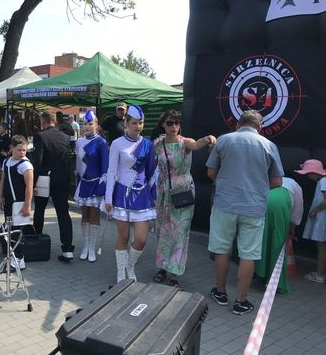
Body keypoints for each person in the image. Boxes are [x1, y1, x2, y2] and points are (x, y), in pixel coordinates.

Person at [206, 110, 283, 315]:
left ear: (237, 124)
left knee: (222, 249)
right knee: (249, 254)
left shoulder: (224, 140)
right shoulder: (269, 145)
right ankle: (241, 301)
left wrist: (226, 183)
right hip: (254, 207)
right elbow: (277, 181)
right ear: (260, 127)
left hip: (224, 204)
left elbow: (211, 172)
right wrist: (258, 188)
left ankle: (220, 292)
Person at [153, 110, 216, 289]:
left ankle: (174, 273)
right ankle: (162, 268)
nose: (173, 126)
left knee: (179, 233)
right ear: (163, 125)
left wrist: (208, 138)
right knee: (162, 230)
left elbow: (196, 145)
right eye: (169, 123)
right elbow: (150, 165)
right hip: (163, 191)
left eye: (177, 123)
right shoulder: (157, 144)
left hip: (183, 192)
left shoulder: (185, 142)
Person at [105, 105, 157, 283]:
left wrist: (154, 195)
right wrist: (108, 198)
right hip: (122, 195)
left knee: (141, 239)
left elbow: (151, 172)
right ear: (126, 124)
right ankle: (121, 274)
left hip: (142, 196)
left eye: (141, 123)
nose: (138, 126)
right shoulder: (117, 144)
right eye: (134, 123)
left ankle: (130, 265)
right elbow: (111, 172)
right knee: (123, 236)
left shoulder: (147, 144)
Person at [32, 111, 75, 261]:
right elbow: (68, 159)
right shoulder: (64, 136)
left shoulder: (40, 136)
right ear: (54, 121)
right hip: (62, 178)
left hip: (44, 179)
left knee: (39, 211)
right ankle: (67, 249)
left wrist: (32, 183)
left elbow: (38, 161)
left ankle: (36, 243)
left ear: (43, 122)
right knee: (63, 213)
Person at [74, 110, 108, 263]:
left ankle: (92, 249)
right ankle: (85, 247)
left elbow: (105, 166)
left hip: (96, 183)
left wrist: (103, 184)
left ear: (97, 126)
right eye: (85, 124)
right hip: (83, 183)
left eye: (90, 124)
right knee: (84, 215)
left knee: (94, 215)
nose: (87, 126)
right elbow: (78, 165)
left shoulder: (101, 142)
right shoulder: (79, 142)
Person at [255, 178, 300, 294]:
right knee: (277, 244)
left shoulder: (268, 177)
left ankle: (258, 273)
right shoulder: (295, 185)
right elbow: (297, 209)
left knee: (261, 240)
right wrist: (293, 226)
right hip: (280, 206)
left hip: (260, 201)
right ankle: (273, 282)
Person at [0, 135, 34, 271]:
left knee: (16, 232)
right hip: (9, 202)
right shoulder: (7, 162)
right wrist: (0, 197)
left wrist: (27, 205)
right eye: (19, 150)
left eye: (24, 150)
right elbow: (3, 180)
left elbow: (29, 186)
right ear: (12, 148)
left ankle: (19, 259)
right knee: (9, 230)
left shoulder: (25, 165)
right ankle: (13, 256)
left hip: (19, 203)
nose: (22, 153)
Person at [294, 159, 326, 284]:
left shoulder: (323, 181)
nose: (307, 176)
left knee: (322, 247)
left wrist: (314, 211)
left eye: (308, 173)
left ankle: (320, 274)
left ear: (314, 172)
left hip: (322, 220)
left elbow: (325, 202)